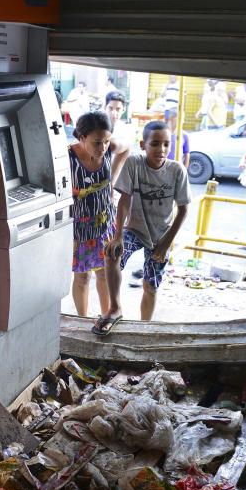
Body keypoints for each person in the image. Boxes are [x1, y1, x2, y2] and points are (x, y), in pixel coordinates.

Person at [94, 121, 190, 334]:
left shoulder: (177, 170)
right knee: (112, 255)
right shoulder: (134, 163)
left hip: (161, 236)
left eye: (166, 144)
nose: (161, 149)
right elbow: (124, 201)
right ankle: (115, 308)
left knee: (150, 285)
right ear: (143, 144)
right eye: (155, 144)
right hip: (134, 231)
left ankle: (144, 327)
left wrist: (166, 244)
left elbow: (183, 211)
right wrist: (117, 235)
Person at [70, 111, 130, 319]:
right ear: (81, 137)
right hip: (78, 230)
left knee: (104, 274)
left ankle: (107, 316)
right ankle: (82, 319)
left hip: (104, 224)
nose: (103, 147)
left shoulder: (111, 149)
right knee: (82, 278)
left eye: (106, 141)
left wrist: (113, 176)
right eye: (97, 142)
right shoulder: (68, 157)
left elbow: (126, 149)